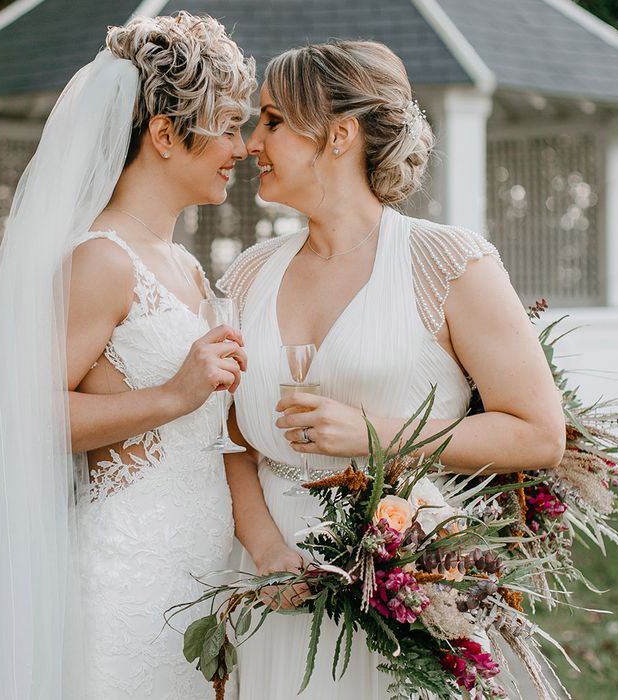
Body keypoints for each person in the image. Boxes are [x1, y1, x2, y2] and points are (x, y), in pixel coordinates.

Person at [218, 41, 565, 699]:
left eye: (271, 120)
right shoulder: (246, 275)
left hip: (403, 575)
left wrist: (376, 433)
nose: (250, 141)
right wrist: (265, 551)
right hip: (272, 581)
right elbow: (228, 437)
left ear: (339, 134)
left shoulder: (448, 263)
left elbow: (538, 433)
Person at [0, 13, 255, 700]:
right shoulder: (99, 262)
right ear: (166, 134)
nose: (244, 146)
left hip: (202, 578)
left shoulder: (186, 267)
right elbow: (21, 421)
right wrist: (174, 395)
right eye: (228, 125)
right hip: (130, 582)